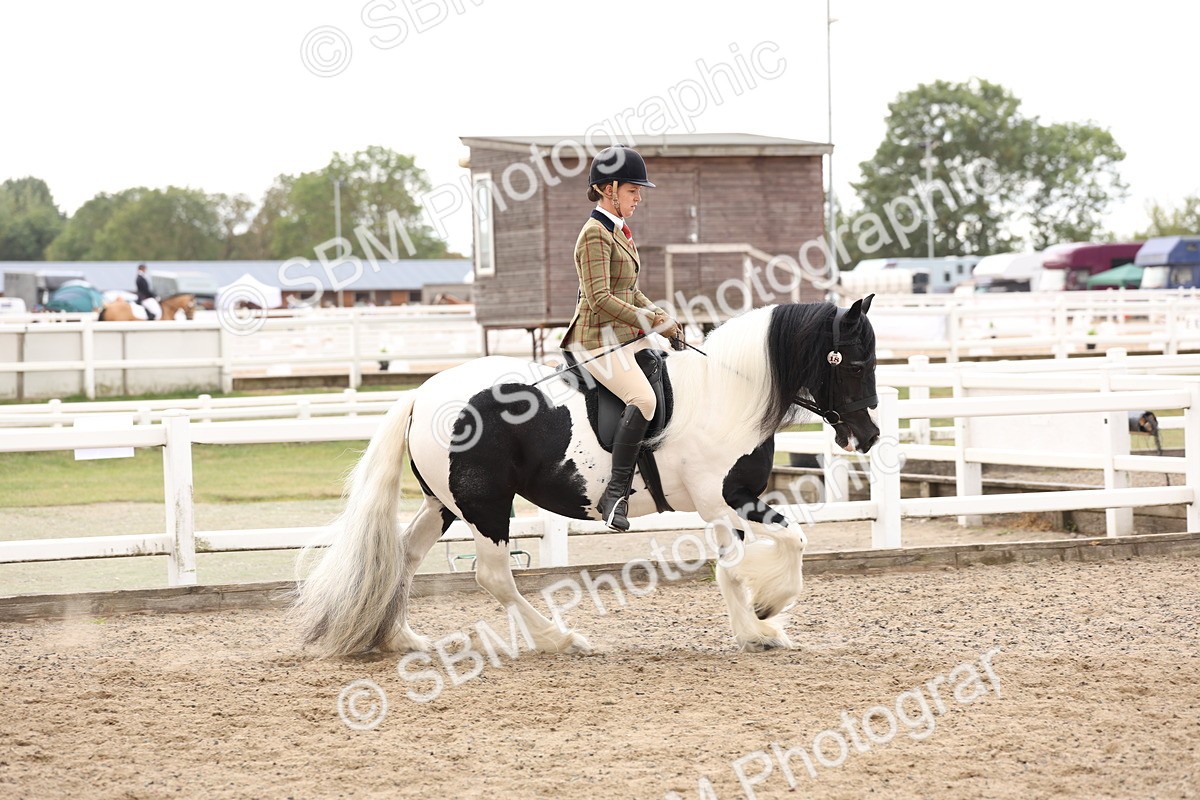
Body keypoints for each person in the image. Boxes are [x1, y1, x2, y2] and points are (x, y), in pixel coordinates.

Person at [561, 145, 682, 531]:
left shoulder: (619, 232)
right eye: (633, 190)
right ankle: (615, 493)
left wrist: (661, 316)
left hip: (622, 336)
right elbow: (600, 298)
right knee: (643, 398)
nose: (639, 197)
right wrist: (649, 321)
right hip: (595, 340)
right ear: (609, 189)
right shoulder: (594, 234)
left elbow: (629, 290)